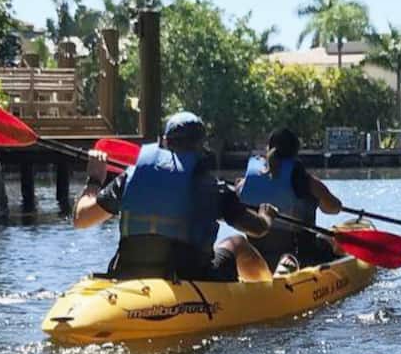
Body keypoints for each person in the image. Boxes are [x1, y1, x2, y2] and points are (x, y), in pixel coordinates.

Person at [74, 111, 277, 282]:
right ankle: (269, 289)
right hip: (190, 279)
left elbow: (82, 219)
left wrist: (94, 179)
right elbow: (258, 229)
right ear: (200, 146)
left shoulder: (130, 178)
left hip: (128, 274)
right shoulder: (214, 189)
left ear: (164, 142)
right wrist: (266, 215)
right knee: (237, 242)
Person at [237, 127, 342, 271]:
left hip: (258, 257)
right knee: (330, 240)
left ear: (268, 148)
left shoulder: (245, 183)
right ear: (295, 152)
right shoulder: (307, 181)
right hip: (301, 256)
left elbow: (235, 205)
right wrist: (318, 200)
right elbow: (334, 208)